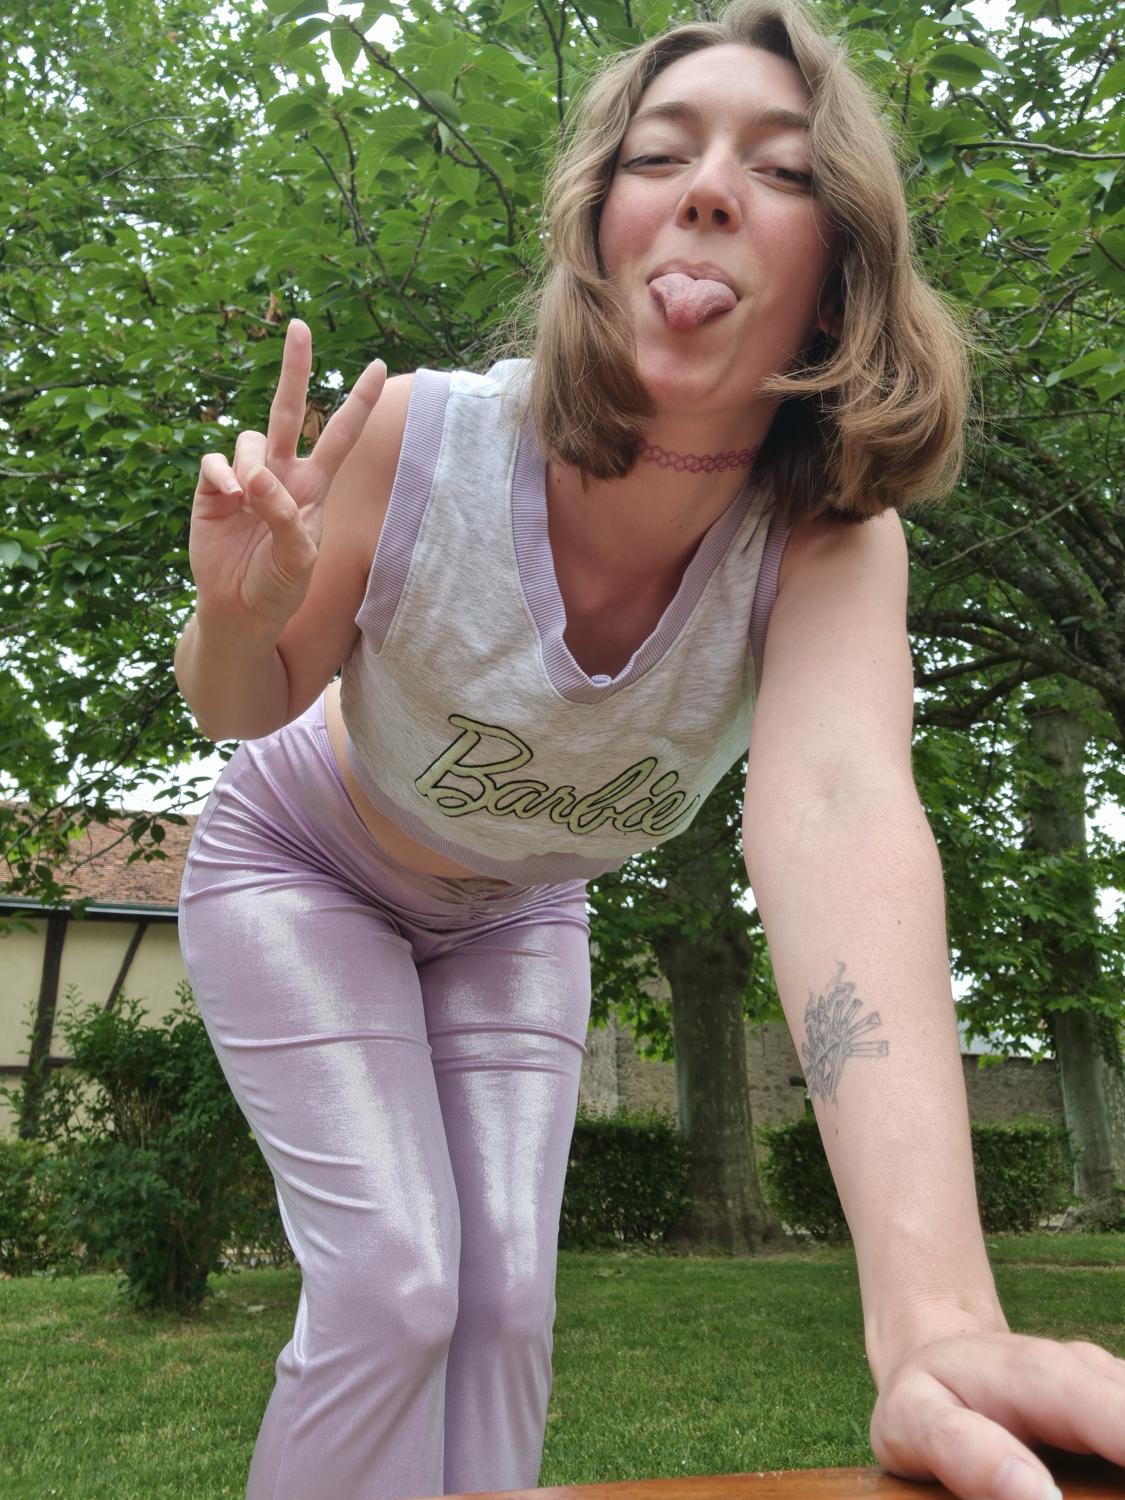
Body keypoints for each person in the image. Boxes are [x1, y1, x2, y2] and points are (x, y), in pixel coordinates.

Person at [174, 1, 1124, 1498]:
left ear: (839, 282)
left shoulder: (828, 541)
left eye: (783, 169)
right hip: (305, 866)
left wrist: (937, 1325)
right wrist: (234, 615)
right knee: (400, 1288)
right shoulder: (416, 439)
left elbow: (838, 814)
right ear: (598, 230)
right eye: (660, 154)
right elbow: (242, 704)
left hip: (518, 909)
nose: (708, 187)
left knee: (504, 1309)